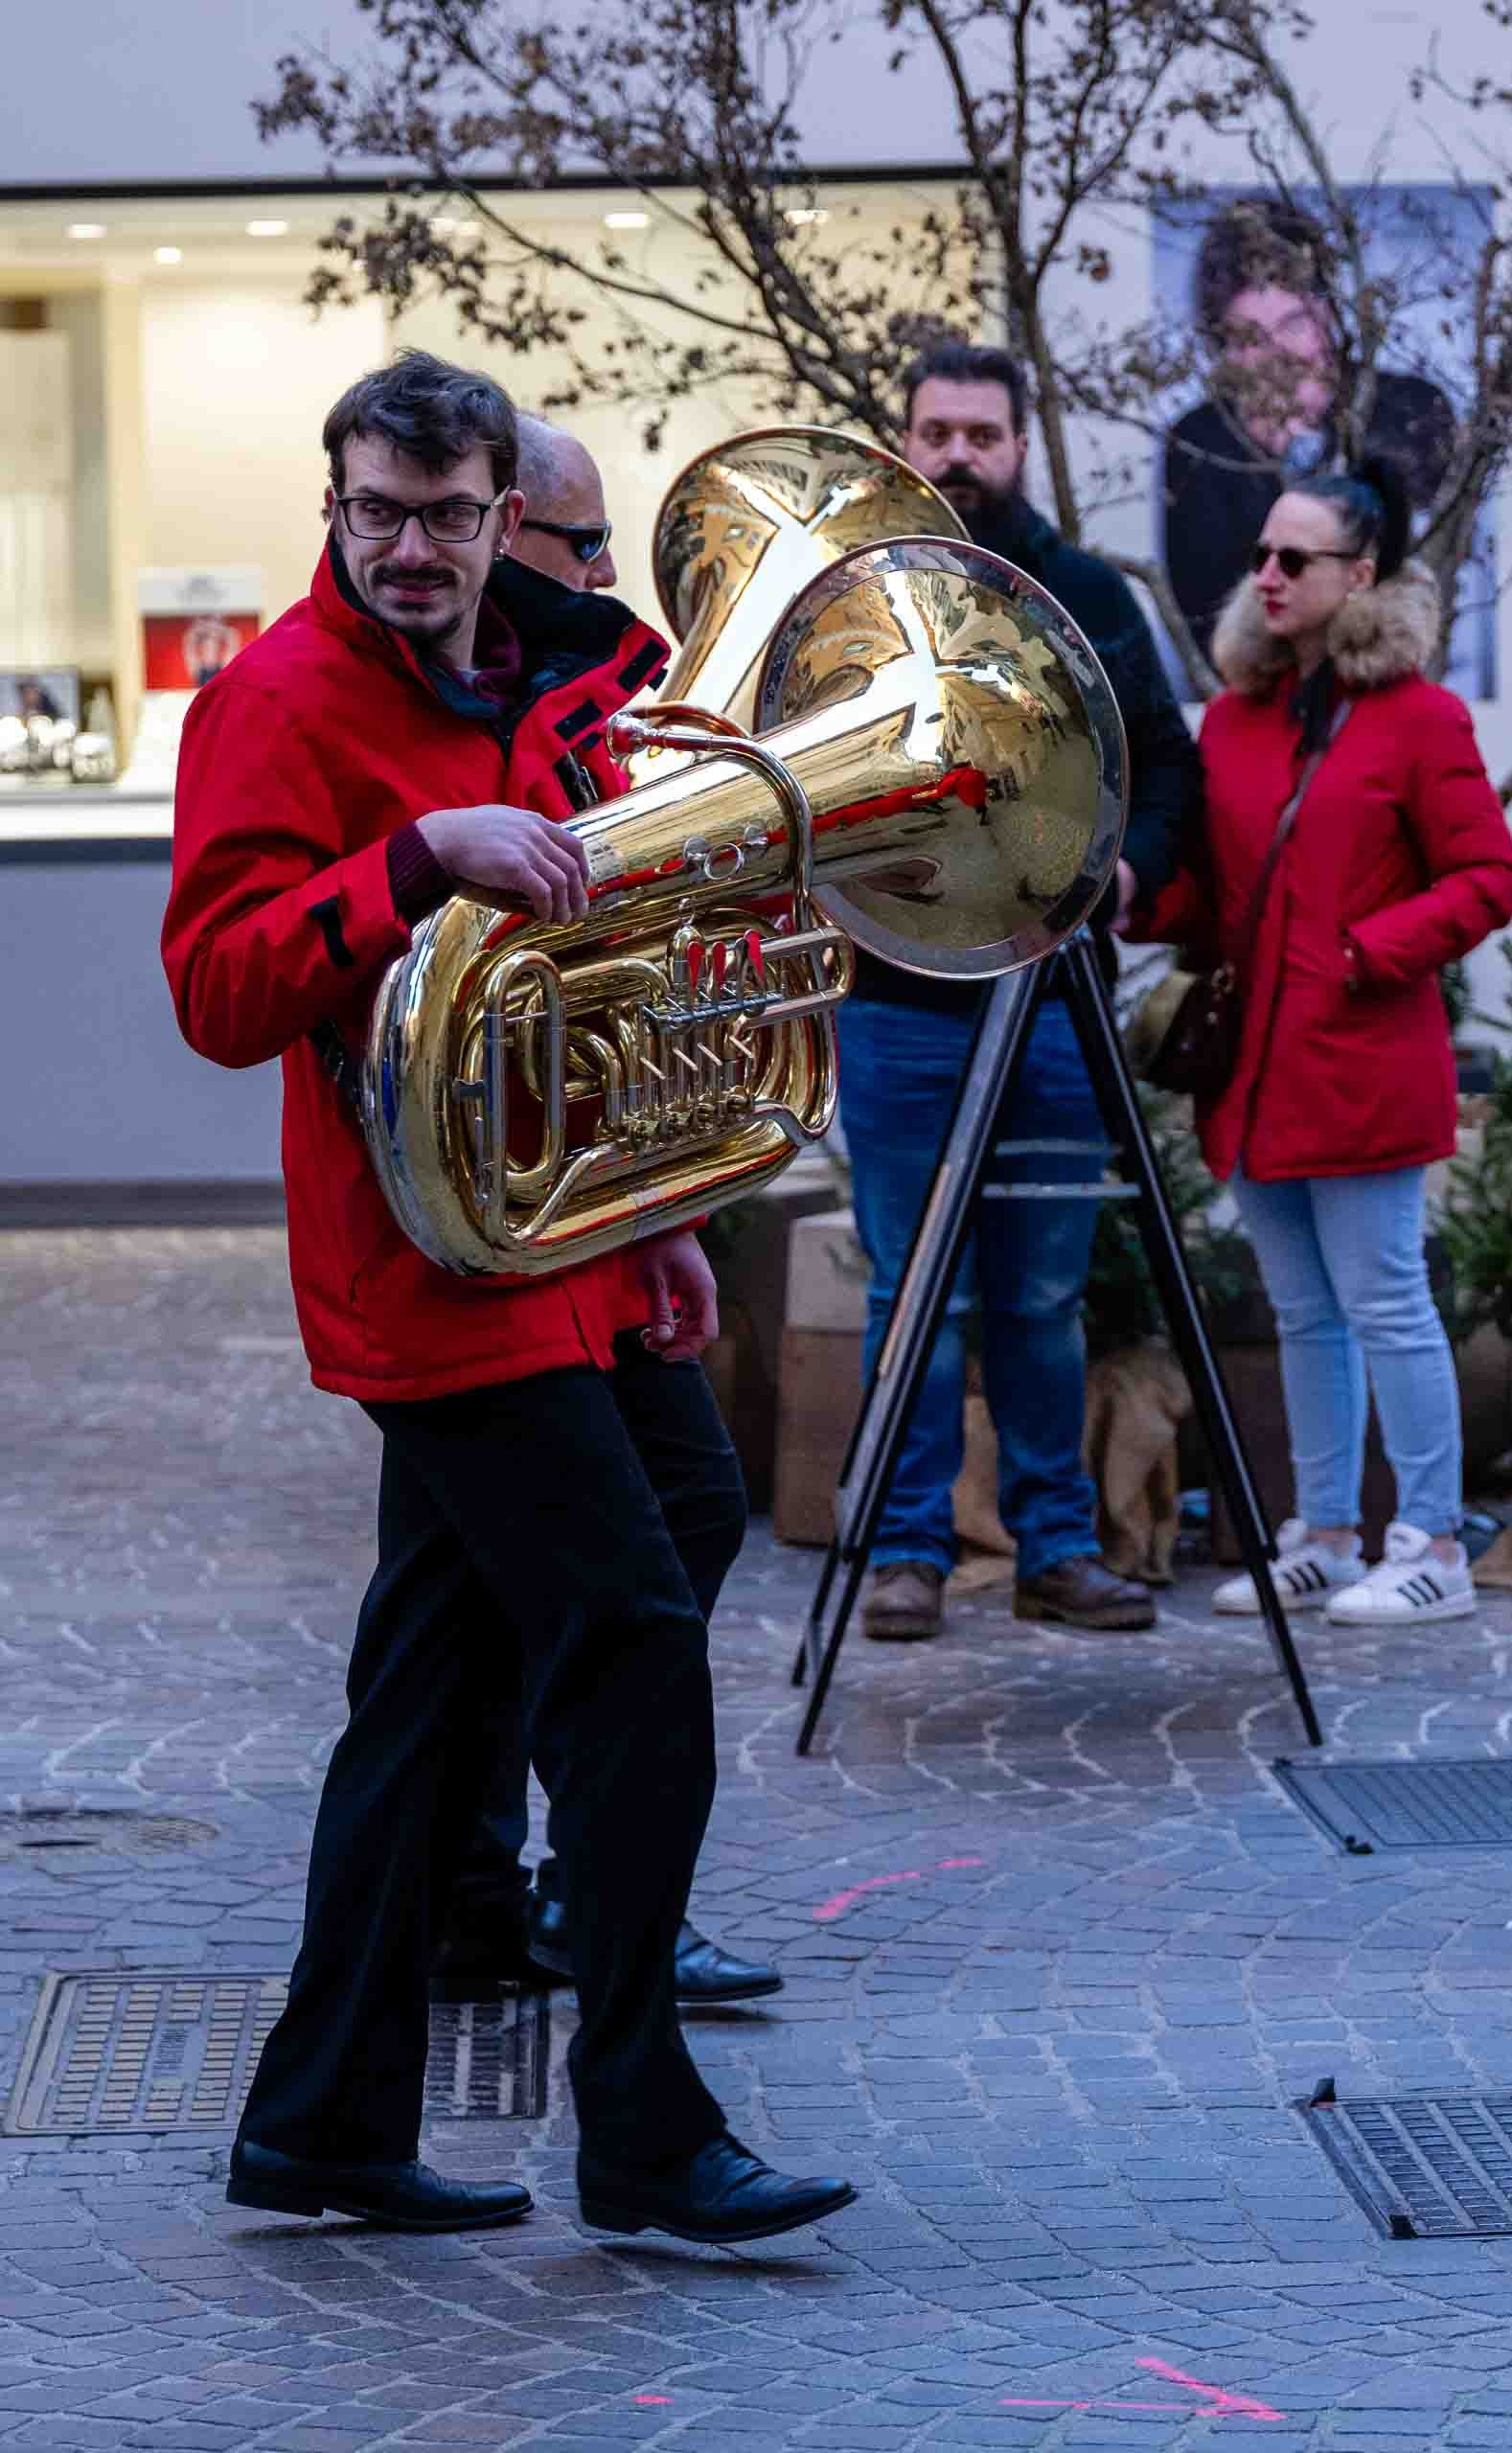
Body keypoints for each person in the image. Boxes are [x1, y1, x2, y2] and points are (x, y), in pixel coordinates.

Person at [161, 349, 854, 2245]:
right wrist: (409, 861)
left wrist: (655, 1211)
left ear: (498, 519)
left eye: (448, 517)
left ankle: (321, 2117)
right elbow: (216, 988)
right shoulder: (274, 703)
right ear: (334, 506)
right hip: (429, 1266)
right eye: (380, 513)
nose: (413, 547)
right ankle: (641, 2125)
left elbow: (594, 978)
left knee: (448, 1671)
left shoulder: (535, 686)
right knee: (630, 1625)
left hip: (557, 1245)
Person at [440, 413, 783, 2009]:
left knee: (509, 1571)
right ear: (509, 527)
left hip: (583, 1196)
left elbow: (629, 956)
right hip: (497, 1209)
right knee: (636, 1547)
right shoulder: (499, 695)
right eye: (581, 545)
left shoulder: (588, 685)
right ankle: (586, 1900)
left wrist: (667, 1215)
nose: (601, 573)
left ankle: (501, 1898)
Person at [841, 335, 1201, 1644]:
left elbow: (1167, 766)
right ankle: (905, 1553)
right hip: (893, 1002)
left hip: (1052, 1008)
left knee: (1042, 1298)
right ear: (904, 440)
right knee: (911, 1293)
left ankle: (1056, 1546)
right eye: (936, 433)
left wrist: (1125, 870)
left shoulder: (1087, 593)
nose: (957, 457)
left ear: (1019, 446)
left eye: (980, 436)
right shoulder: (854, 598)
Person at [1138, 455, 1512, 1625]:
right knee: (1302, 1312)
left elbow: (1488, 876)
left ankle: (1436, 1544)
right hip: (1254, 1072)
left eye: (1293, 558)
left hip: (1361, 1066)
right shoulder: (1235, 721)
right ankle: (1325, 1534)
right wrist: (1136, 899)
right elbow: (1215, 889)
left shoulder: (1421, 719)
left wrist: (1367, 950)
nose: (1266, 575)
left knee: (1387, 1302)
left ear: (1359, 575)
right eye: (1260, 554)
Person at [1162, 201, 1456, 669]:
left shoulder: (1411, 411)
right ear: (1225, 350)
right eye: (1251, 337)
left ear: (1328, 317)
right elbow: (1208, 625)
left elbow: (1428, 571)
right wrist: (1266, 457)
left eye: (1293, 324)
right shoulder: (1199, 443)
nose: (1279, 354)